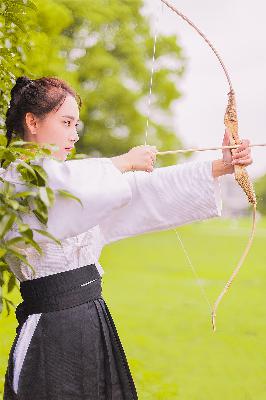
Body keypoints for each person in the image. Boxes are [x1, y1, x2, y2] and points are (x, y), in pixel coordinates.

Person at [2, 76, 252, 400]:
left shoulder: (82, 185)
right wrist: (121, 163)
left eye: (75, 124)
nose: (73, 135)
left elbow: (138, 190)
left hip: (92, 320)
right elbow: (57, 186)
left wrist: (222, 166)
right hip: (49, 332)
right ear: (32, 121)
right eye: (65, 122)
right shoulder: (13, 183)